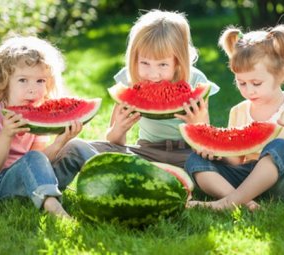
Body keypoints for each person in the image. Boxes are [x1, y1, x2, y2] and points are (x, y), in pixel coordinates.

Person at [185, 23, 284, 211]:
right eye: (241, 83)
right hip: (246, 178)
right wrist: (217, 153)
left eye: (256, 83)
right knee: (194, 160)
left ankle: (226, 203)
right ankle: (245, 202)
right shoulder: (238, 111)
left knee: (280, 147)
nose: (249, 90)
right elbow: (236, 160)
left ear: (281, 74)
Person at [0, 36, 97, 218]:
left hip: (36, 181)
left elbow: (42, 160)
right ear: (3, 82)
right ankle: (53, 208)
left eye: (40, 81)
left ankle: (113, 185)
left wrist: (60, 142)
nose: (32, 89)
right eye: (23, 80)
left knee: (77, 147)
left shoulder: (36, 118)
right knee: (32, 157)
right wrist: (6, 134)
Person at [90, 9, 219, 168]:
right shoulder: (129, 78)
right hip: (146, 152)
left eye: (162, 64)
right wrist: (119, 129)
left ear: (178, 60)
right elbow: (114, 141)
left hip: (187, 154)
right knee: (89, 149)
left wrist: (197, 126)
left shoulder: (196, 80)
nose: (153, 74)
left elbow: (202, 146)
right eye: (144, 63)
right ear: (134, 58)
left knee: (210, 160)